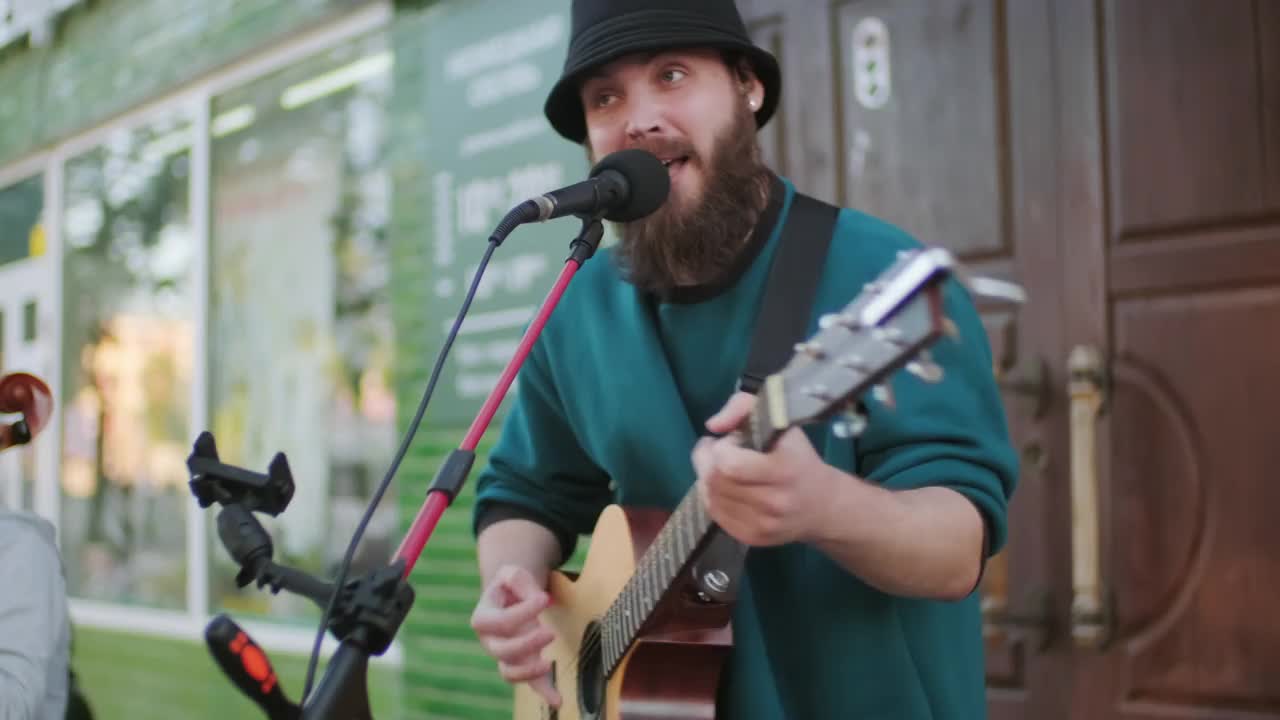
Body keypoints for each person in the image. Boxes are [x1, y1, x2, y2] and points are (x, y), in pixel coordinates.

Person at [467, 0, 1019, 717]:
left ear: (747, 89)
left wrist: (823, 507)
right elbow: (522, 494)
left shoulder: (878, 275)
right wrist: (513, 585)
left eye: (672, 75)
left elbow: (956, 550)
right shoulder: (577, 309)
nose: (638, 118)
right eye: (606, 97)